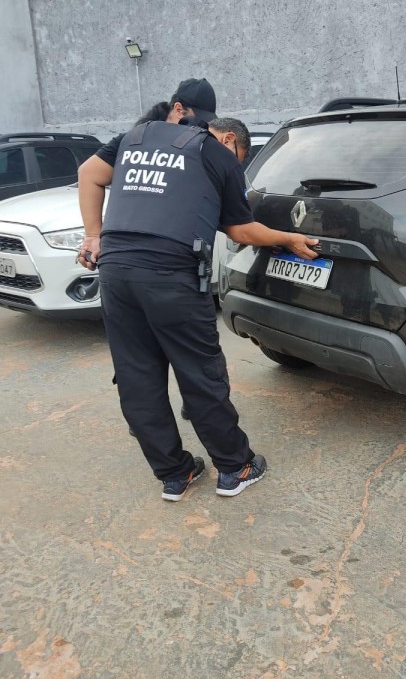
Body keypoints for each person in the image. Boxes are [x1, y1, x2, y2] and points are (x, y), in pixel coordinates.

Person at [77, 82, 318, 502]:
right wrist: (289, 238)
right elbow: (241, 230)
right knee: (200, 373)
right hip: (172, 276)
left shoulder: (132, 138)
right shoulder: (214, 153)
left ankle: (175, 474)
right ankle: (235, 467)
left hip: (115, 274)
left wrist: (93, 235)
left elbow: (88, 174)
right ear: (226, 137)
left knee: (137, 376)